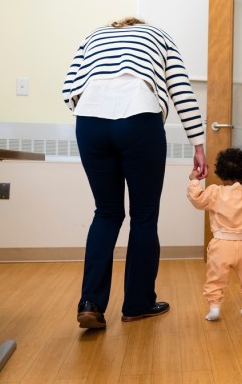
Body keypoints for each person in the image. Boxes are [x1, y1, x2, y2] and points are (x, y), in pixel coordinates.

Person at [63, 17, 208, 329]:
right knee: (143, 215)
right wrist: (198, 144)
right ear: (139, 26)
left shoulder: (94, 35)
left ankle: (91, 303)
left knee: (106, 213)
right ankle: (138, 303)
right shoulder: (160, 34)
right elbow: (181, 90)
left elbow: (68, 86)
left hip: (90, 118)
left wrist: (92, 109)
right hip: (139, 116)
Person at [187, 147, 242, 321]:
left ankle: (214, 308)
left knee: (215, 277)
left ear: (220, 173)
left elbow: (197, 199)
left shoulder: (214, 192)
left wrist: (194, 181)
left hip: (221, 245)